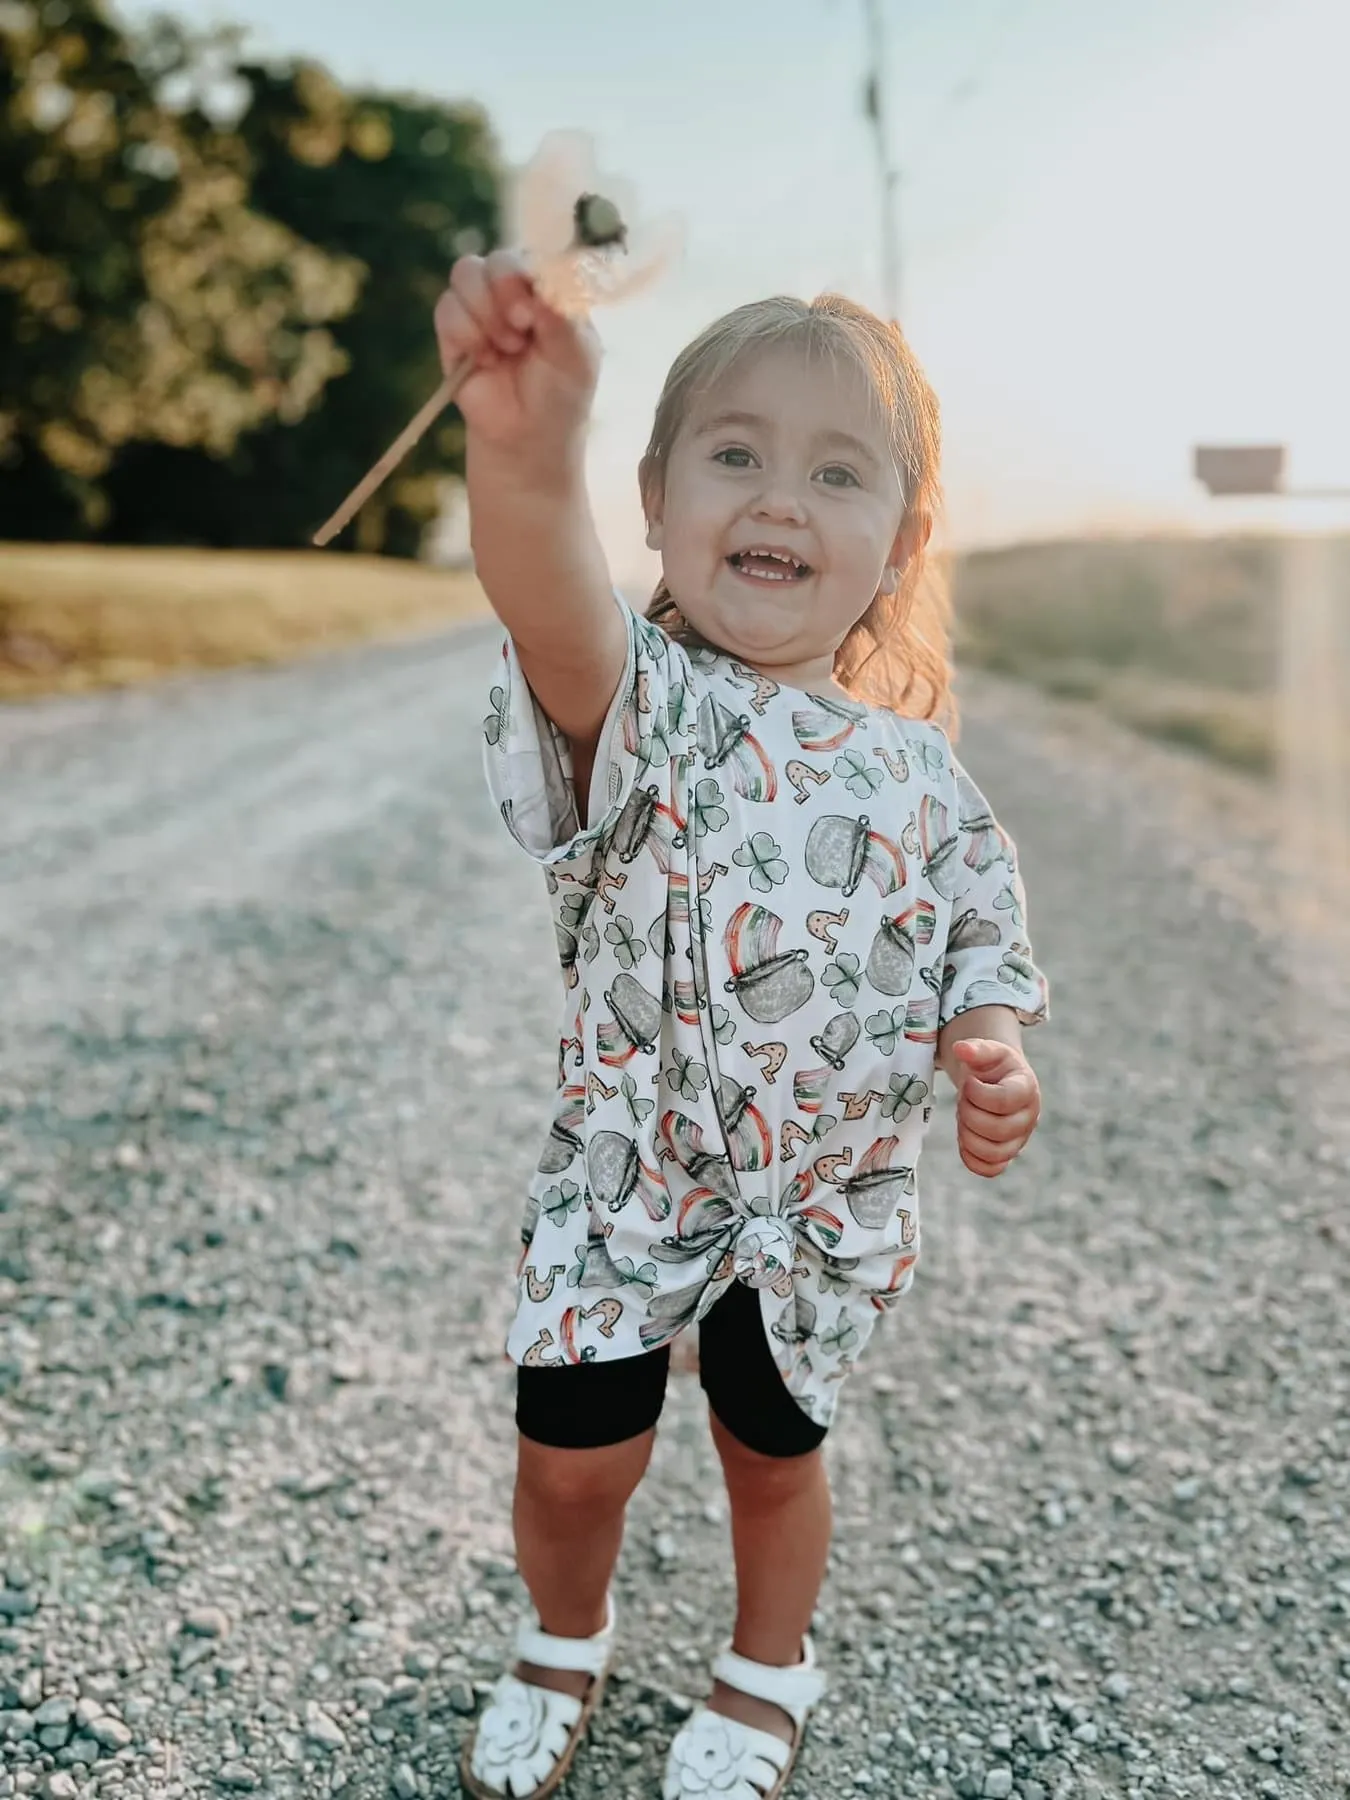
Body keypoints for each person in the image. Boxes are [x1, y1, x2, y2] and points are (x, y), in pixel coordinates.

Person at [439, 248, 1050, 1800]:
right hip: (627, 1181)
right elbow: (547, 601)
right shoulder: (647, 706)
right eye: (734, 454)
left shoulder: (919, 776)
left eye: (834, 472)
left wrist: (989, 1042)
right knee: (572, 1466)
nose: (778, 500)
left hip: (819, 1205)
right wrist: (519, 454)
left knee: (773, 1457)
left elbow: (981, 927)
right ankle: (562, 1640)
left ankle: (767, 1668)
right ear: (653, 498)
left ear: (901, 543)